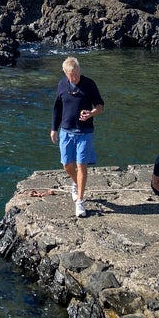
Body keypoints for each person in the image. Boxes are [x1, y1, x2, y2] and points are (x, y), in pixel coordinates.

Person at [50, 56, 104, 218]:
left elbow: (100, 105)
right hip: (66, 132)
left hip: (85, 133)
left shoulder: (89, 84)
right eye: (71, 75)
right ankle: (76, 182)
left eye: (76, 73)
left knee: (81, 165)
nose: (74, 77)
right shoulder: (61, 85)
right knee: (67, 165)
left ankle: (80, 201)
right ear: (66, 74)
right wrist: (54, 129)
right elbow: (57, 108)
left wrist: (91, 113)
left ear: (79, 70)